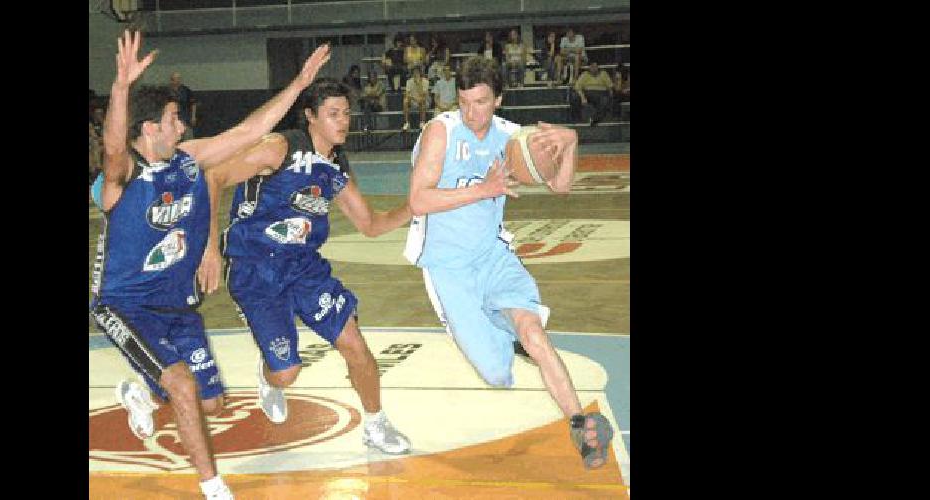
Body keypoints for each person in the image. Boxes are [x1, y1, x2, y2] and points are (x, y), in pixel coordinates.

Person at [90, 30, 331, 500]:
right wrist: (120, 88)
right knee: (180, 384)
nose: (182, 128)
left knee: (211, 404)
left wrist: (298, 85)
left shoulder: (187, 161)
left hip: (176, 305)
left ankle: (141, 393)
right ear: (149, 128)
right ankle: (213, 487)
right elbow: (115, 146)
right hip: (124, 304)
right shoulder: (123, 177)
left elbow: (246, 133)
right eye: (174, 120)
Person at [403, 55, 614, 470]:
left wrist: (571, 142)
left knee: (534, 334)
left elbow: (561, 186)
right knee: (498, 374)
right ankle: (507, 339)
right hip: (447, 268)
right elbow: (418, 199)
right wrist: (484, 189)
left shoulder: (511, 137)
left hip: (493, 255)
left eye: (480, 102)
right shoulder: (440, 132)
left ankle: (583, 424)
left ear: (498, 99)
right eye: (464, 102)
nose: (470, 112)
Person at [214, 78, 415, 456]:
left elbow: (370, 225)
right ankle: (270, 377)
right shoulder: (278, 147)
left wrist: (413, 207)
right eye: (333, 114)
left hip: (304, 268)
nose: (343, 121)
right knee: (287, 371)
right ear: (310, 116)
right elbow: (215, 176)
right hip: (255, 267)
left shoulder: (336, 167)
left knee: (355, 344)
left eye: (346, 113)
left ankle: (376, 423)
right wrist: (209, 248)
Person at [573, 61, 614, 125]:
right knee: (575, 97)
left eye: (595, 66)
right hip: (587, 94)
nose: (594, 68)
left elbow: (610, 87)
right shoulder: (584, 74)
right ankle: (577, 119)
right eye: (592, 67)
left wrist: (611, 95)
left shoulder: (604, 74)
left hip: (601, 94)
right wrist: (582, 97)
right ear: (589, 67)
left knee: (605, 100)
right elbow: (577, 87)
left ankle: (595, 119)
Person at [168, 71, 199, 140]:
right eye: (175, 78)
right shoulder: (167, 91)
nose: (177, 80)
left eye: (178, 78)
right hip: (171, 120)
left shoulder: (186, 90)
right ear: (171, 80)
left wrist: (193, 117)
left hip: (185, 117)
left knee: (188, 138)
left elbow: (193, 104)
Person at [402, 66, 430, 131]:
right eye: (414, 72)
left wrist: (419, 83)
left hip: (424, 101)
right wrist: (415, 99)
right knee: (405, 101)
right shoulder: (409, 81)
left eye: (417, 72)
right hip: (413, 100)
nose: (416, 74)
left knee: (422, 100)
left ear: (420, 73)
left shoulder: (425, 81)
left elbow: (424, 95)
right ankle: (406, 123)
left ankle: (422, 122)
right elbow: (407, 94)